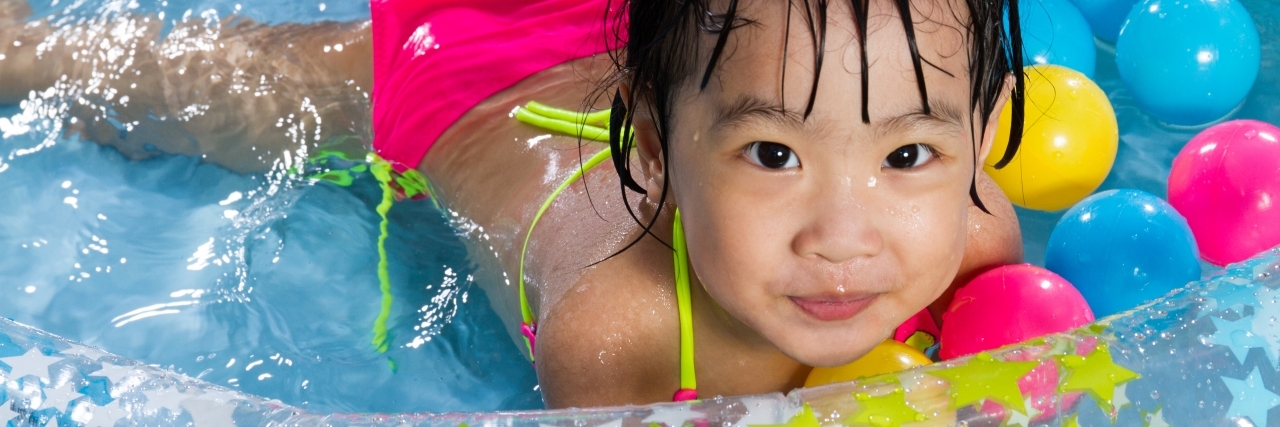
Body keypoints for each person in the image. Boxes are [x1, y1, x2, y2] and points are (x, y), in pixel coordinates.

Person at [0, 0, 1025, 408]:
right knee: (235, 93)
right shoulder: (620, 338)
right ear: (660, 152)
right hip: (466, 77)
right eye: (772, 155)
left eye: (904, 152)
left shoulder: (973, 234)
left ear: (979, 142)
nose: (841, 236)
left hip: (660, 40)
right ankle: (22, 49)